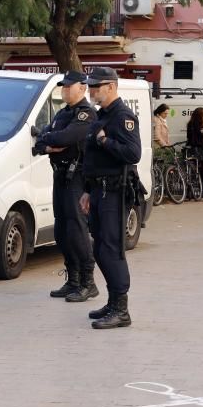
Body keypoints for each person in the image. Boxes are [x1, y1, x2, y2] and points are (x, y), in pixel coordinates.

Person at [79, 67, 141, 329]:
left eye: (96, 86)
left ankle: (121, 309)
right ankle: (112, 300)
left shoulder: (123, 116)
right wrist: (86, 190)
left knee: (111, 250)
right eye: (90, 87)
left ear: (112, 87)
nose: (92, 91)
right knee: (100, 247)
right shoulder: (102, 115)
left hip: (114, 192)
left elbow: (133, 153)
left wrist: (106, 142)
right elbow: (90, 158)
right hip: (98, 190)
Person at [34, 70, 100, 303]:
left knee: (76, 229)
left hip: (77, 176)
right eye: (62, 86)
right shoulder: (63, 113)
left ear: (82, 88)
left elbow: (64, 138)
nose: (64, 90)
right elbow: (41, 140)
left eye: (68, 86)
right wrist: (51, 143)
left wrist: (52, 140)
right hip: (60, 175)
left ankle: (87, 282)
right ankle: (72, 280)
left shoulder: (86, 114)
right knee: (61, 230)